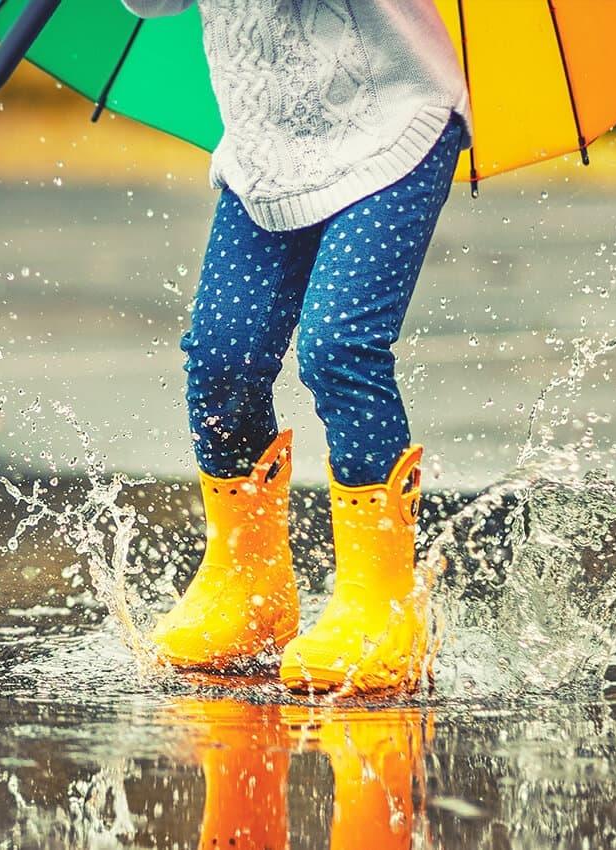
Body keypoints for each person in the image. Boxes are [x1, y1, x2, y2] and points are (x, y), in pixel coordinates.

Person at [121, 0, 470, 695]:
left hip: (392, 124)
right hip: (267, 153)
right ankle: (248, 586)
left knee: (340, 348)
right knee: (223, 359)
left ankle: (382, 603)